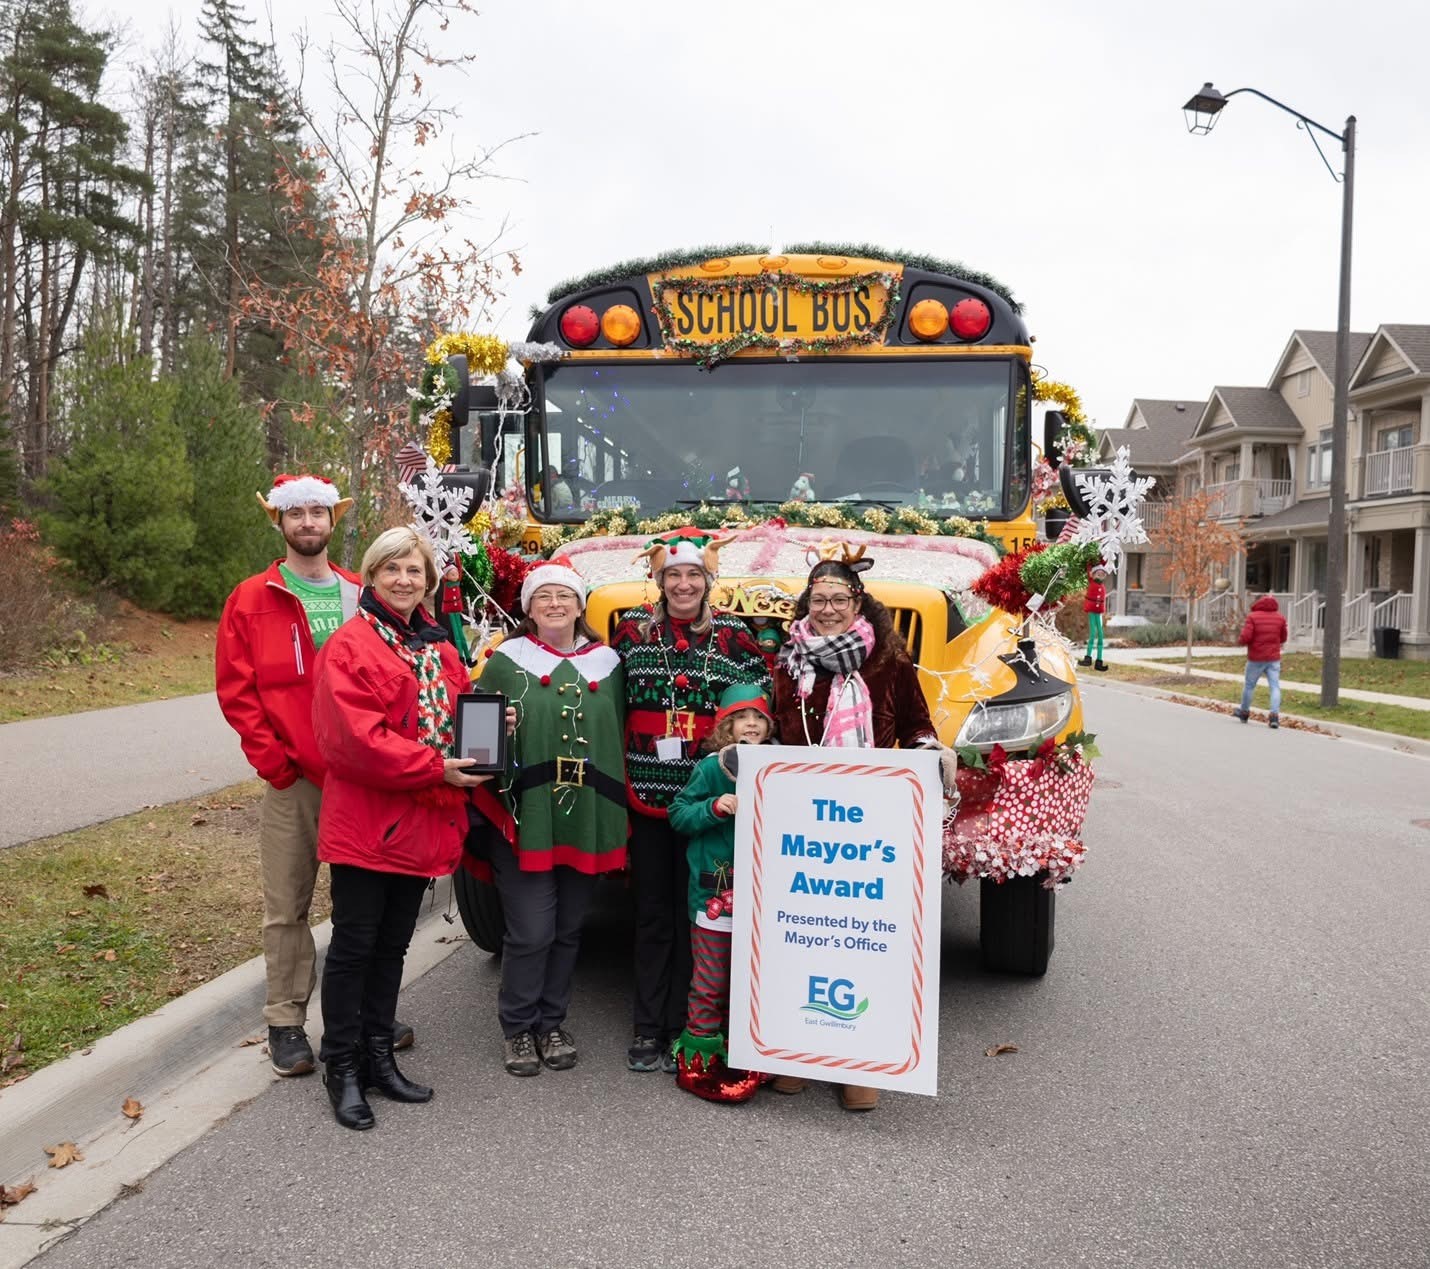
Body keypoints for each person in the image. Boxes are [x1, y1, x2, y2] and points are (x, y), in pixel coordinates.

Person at [217, 474, 418, 1078]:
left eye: (317, 513)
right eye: (295, 514)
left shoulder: (366, 592)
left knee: (365, 908)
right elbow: (238, 691)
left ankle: (359, 1017)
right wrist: (275, 765)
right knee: (289, 902)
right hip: (296, 779)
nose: (308, 523)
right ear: (278, 523)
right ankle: (285, 1022)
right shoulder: (253, 597)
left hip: (364, 780)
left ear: (335, 522)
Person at [310, 526, 491, 1131]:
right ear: (372, 575)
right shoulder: (351, 646)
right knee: (355, 946)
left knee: (392, 945)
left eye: (414, 571)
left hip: (420, 818)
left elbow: (461, 713)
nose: (404, 580)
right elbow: (355, 742)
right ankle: (342, 1066)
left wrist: (494, 724)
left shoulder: (437, 648)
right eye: (392, 569)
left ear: (428, 580)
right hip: (369, 822)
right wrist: (438, 766)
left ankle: (378, 1055)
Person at [769, 544, 950, 1113]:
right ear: (807, 603)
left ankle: (858, 1066)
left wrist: (931, 756)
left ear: (858, 603)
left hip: (867, 821)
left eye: (839, 599)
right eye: (818, 600)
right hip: (800, 820)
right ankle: (798, 1056)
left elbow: (918, 726)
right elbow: (773, 729)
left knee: (858, 938)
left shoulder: (889, 663)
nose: (827, 609)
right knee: (801, 936)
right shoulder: (787, 661)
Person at [612, 527, 769, 1073]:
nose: (683, 584)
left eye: (693, 575)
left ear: (708, 580)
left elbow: (759, 706)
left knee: (700, 914)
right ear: (659, 580)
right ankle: (647, 1026)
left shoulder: (735, 636)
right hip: (651, 790)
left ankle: (692, 1023)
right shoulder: (632, 632)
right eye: (673, 575)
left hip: (715, 796)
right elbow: (606, 698)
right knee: (653, 913)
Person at [473, 556, 628, 1077]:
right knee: (532, 930)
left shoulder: (608, 665)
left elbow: (620, 737)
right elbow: (477, 740)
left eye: (564, 595)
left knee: (567, 929)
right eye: (543, 597)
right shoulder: (503, 661)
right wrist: (502, 729)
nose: (555, 605)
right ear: (528, 608)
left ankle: (551, 1022)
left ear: (581, 604)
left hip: (587, 813)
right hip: (528, 814)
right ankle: (518, 1027)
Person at [668, 683, 774, 1104]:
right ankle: (700, 1055)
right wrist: (714, 807)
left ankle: (746, 1050)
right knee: (710, 979)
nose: (751, 725)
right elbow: (678, 814)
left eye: (759, 719)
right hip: (715, 896)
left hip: (763, 895)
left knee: (751, 979)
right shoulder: (712, 768)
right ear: (725, 726)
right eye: (741, 718)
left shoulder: (779, 765)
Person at [1235, 594, 1289, 728]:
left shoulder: (1253, 617)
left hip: (1256, 658)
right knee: (1275, 687)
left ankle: (1244, 712)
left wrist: (1240, 641)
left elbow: (1246, 637)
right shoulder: (1280, 618)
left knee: (1249, 686)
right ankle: (1274, 717)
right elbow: (1283, 638)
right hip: (1273, 658)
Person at [1080, 564, 1109, 672]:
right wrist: (1090, 561)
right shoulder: (1091, 583)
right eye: (1098, 573)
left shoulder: (1102, 586)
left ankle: (1099, 661)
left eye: (1102, 574)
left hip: (1099, 613)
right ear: (1093, 574)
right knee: (1093, 634)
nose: (1101, 575)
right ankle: (1088, 658)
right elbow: (1088, 570)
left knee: (1101, 635)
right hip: (1092, 611)